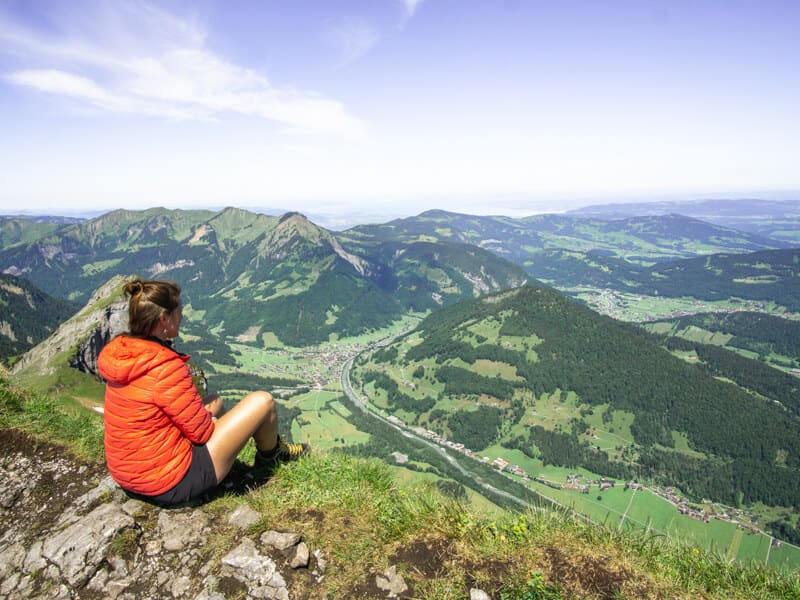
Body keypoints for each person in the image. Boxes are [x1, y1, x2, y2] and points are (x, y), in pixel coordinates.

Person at [98, 278, 307, 506]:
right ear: (164, 320)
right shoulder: (163, 367)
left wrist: (209, 415)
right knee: (263, 402)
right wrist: (214, 422)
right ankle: (271, 457)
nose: (183, 317)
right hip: (170, 483)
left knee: (214, 401)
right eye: (179, 311)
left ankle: (235, 458)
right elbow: (202, 433)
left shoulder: (125, 354)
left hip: (128, 473)